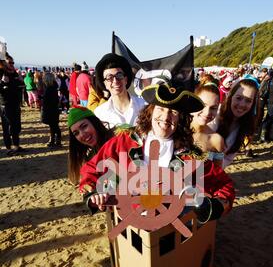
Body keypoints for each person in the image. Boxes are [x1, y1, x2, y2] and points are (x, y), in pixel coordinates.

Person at [79, 84, 235, 221]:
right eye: (160, 109)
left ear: (180, 120)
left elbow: (224, 184)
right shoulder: (125, 141)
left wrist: (214, 205)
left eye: (173, 112)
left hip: (167, 229)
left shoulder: (189, 157)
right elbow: (92, 168)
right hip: (127, 223)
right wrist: (93, 193)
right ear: (150, 112)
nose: (166, 117)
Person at [213, 76, 260, 168]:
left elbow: (228, 158)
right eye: (238, 98)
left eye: (248, 101)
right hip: (191, 167)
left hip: (210, 175)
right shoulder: (214, 116)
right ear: (230, 96)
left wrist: (216, 167)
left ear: (253, 104)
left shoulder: (244, 126)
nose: (242, 104)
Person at [93, 53, 145, 129]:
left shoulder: (144, 106)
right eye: (109, 77)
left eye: (119, 75)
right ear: (105, 84)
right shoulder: (100, 113)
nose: (115, 81)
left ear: (126, 80)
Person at [67, 106, 113, 184]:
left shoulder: (116, 140)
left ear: (94, 122)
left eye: (84, 126)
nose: (82, 135)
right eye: (76, 133)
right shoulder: (89, 158)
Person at [190, 80, 224, 154]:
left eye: (213, 108)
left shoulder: (216, 140)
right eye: (203, 105)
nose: (207, 112)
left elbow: (218, 165)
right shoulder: (176, 130)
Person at [0, 57, 23, 155]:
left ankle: (16, 146)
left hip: (15, 102)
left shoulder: (13, 73)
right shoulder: (0, 73)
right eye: (10, 62)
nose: (12, 64)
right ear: (3, 63)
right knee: (7, 127)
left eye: (13, 62)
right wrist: (2, 83)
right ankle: (9, 148)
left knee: (16, 126)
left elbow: (20, 86)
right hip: (6, 104)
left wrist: (21, 82)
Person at [41, 72, 61, 148]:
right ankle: (52, 140)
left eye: (44, 78)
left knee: (55, 126)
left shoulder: (51, 88)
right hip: (52, 109)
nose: (43, 79)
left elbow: (53, 101)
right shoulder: (51, 87)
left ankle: (58, 141)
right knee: (52, 126)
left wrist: (44, 101)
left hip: (52, 110)